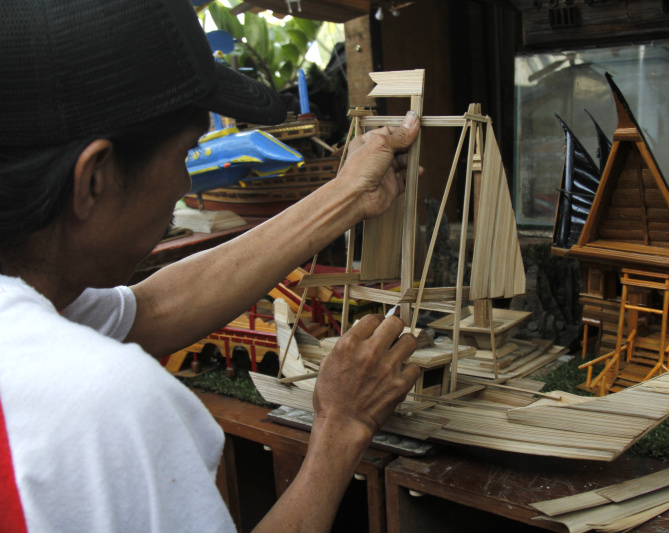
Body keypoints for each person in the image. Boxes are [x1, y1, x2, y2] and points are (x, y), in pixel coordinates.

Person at [0, 0, 422, 531]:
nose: (185, 184)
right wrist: (342, 428)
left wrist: (346, 196)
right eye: (183, 156)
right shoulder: (104, 404)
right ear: (93, 180)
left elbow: (148, 311)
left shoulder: (27, 317)